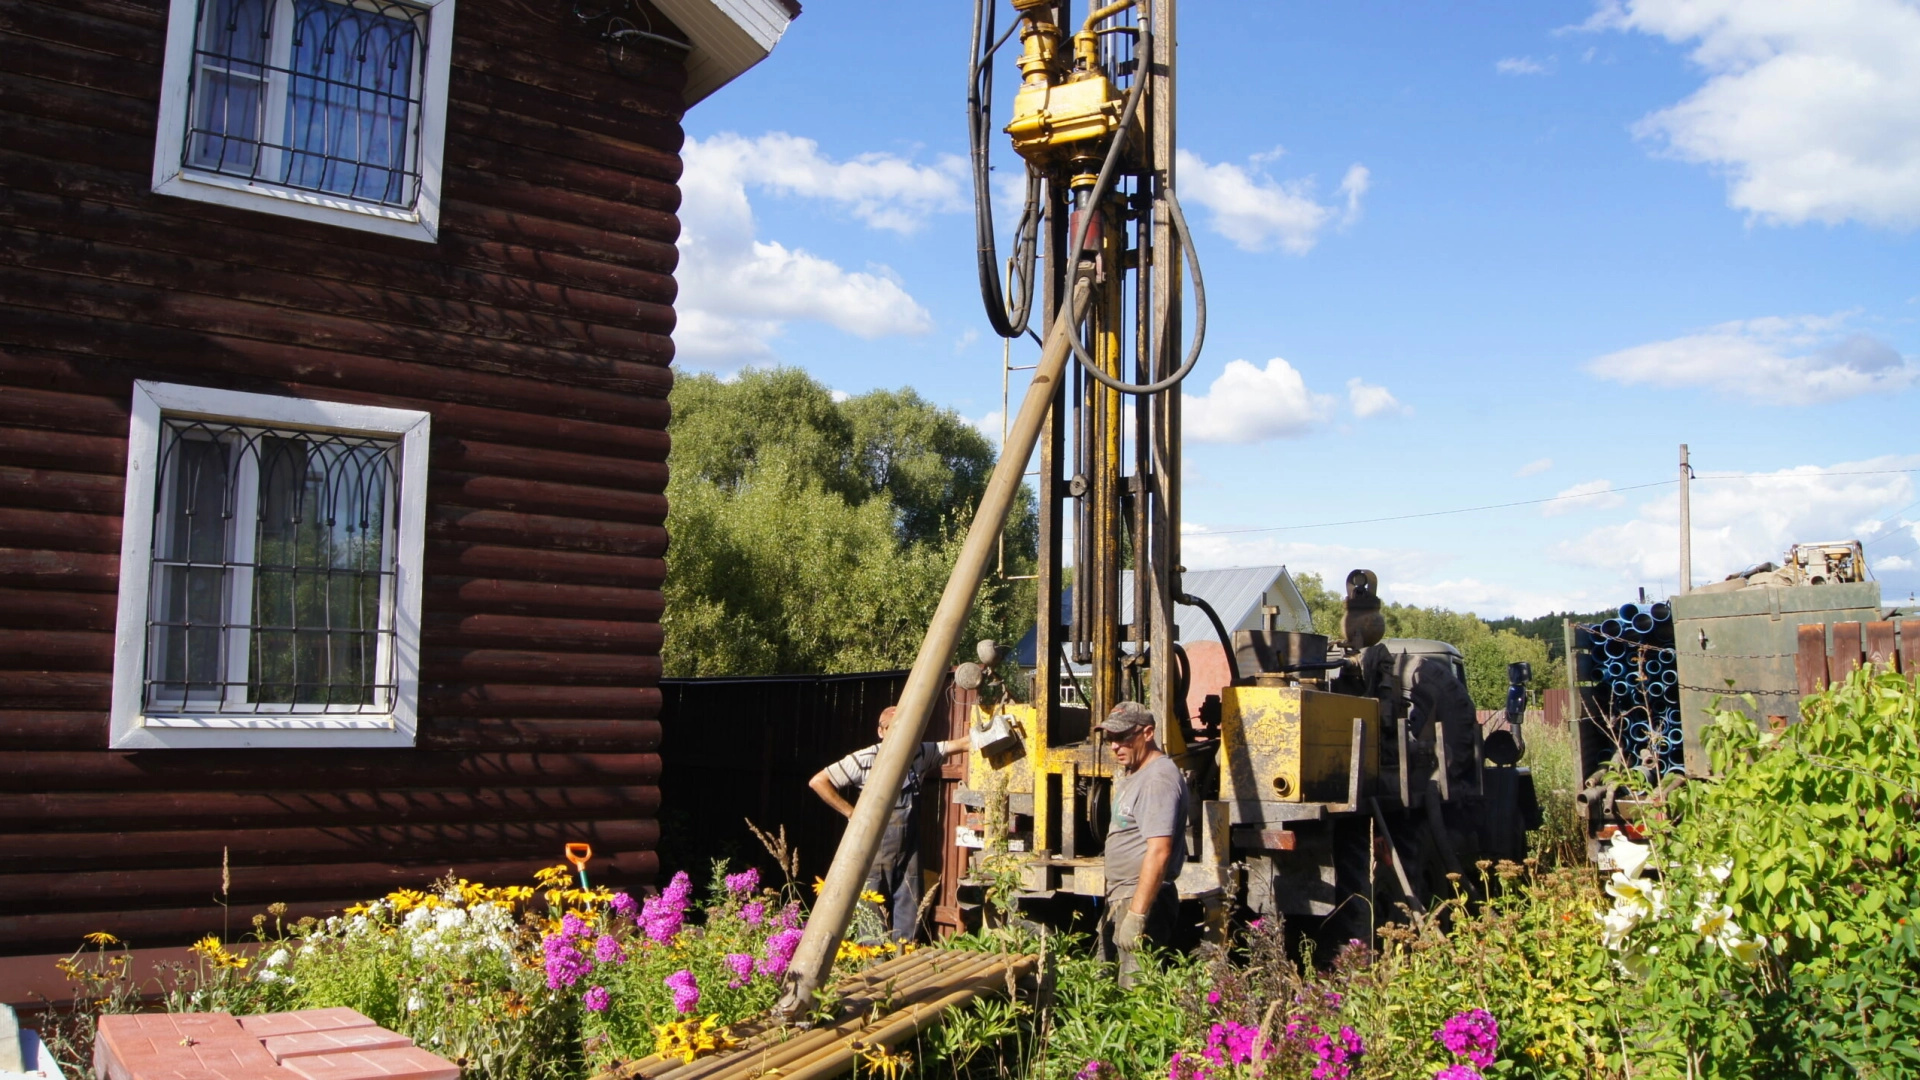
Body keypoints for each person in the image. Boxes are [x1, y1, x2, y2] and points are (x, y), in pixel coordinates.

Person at [809, 705, 971, 941]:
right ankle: (873, 966)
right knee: (872, 909)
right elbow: (818, 781)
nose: (899, 734)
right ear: (881, 731)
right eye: (892, 728)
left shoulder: (920, 754)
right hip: (873, 849)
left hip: (908, 850)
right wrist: (851, 813)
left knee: (910, 907)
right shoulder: (864, 759)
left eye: (905, 729)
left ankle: (902, 962)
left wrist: (992, 729)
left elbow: (962, 744)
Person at [1100, 700, 1188, 986]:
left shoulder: (1158, 779)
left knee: (1136, 992)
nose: (1114, 745)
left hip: (1140, 900)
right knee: (1108, 985)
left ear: (1147, 733)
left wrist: (1137, 915)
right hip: (1122, 897)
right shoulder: (1137, 775)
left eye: (1123, 737)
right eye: (1110, 738)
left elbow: (1160, 851)